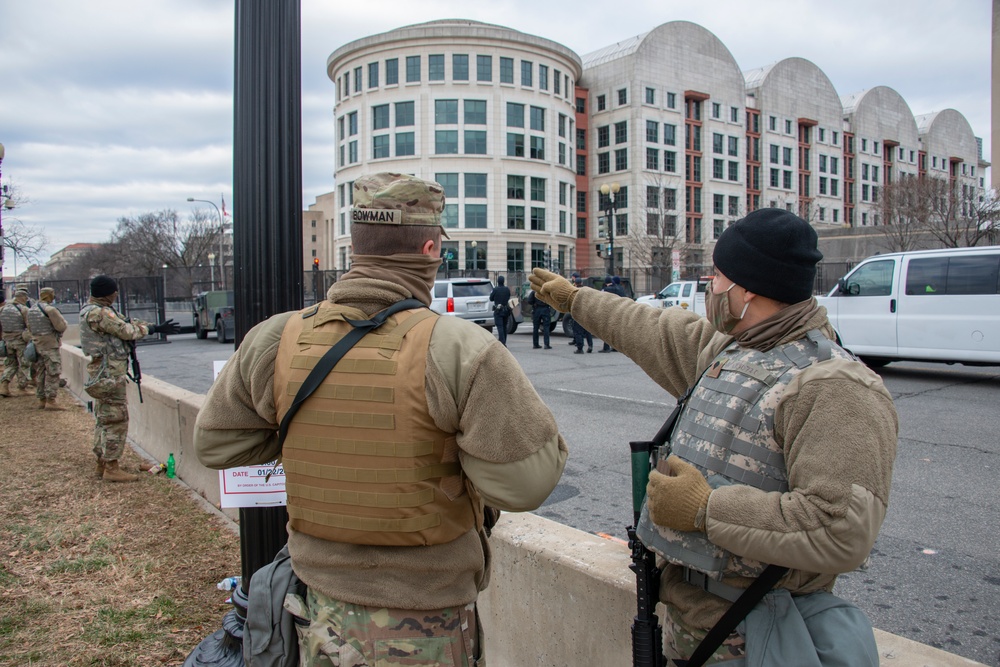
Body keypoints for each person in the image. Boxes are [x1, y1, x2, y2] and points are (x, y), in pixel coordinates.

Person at [193, 172, 568, 666]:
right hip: (425, 620)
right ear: (430, 248)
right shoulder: (459, 348)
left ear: (358, 247)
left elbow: (217, 446)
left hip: (313, 610)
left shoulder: (276, 338)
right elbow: (524, 487)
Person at [529, 208, 897, 664]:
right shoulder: (734, 347)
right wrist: (575, 299)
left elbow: (841, 527)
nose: (711, 288)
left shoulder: (832, 385)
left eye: (719, 277)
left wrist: (705, 509)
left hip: (758, 634)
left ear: (748, 289)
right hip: (693, 625)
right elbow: (650, 328)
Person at [80, 276, 179, 482]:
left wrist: (155, 326)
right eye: (114, 291)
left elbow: (125, 322)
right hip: (109, 375)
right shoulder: (100, 313)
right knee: (116, 419)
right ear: (107, 293)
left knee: (104, 418)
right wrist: (151, 330)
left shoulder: (94, 310)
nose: (116, 294)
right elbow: (127, 331)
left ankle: (102, 463)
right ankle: (111, 468)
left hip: (103, 372)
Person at [27, 287, 68, 410]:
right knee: (53, 372)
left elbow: (29, 327)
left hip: (36, 344)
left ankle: (41, 399)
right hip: (49, 344)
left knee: (40, 372)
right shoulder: (50, 310)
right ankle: (51, 400)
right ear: (49, 295)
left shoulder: (31, 310)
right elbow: (61, 327)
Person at [0, 288, 32, 397]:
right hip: (19, 341)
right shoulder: (23, 309)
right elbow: (29, 326)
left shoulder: (3, 309)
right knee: (23, 364)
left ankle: (4, 385)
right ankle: (22, 387)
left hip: (7, 341)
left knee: (11, 364)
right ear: (23, 297)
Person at [599, 275, 625, 353]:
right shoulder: (620, 289)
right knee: (615, 330)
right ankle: (616, 347)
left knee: (606, 330)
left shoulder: (605, 290)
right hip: (619, 311)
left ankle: (606, 347)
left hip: (608, 311)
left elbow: (600, 298)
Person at [570, 275, 593, 354]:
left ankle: (580, 348)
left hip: (577, 313)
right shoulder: (586, 291)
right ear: (582, 283)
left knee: (577, 331)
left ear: (575, 283)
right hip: (586, 312)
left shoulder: (574, 291)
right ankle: (590, 345)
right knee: (587, 330)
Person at [489, 275, 512, 346]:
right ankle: (504, 340)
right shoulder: (507, 289)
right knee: (504, 326)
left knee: (500, 326)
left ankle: (502, 342)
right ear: (503, 281)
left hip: (498, 311)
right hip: (506, 310)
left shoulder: (495, 289)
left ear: (498, 281)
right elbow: (508, 297)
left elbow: (491, 298)